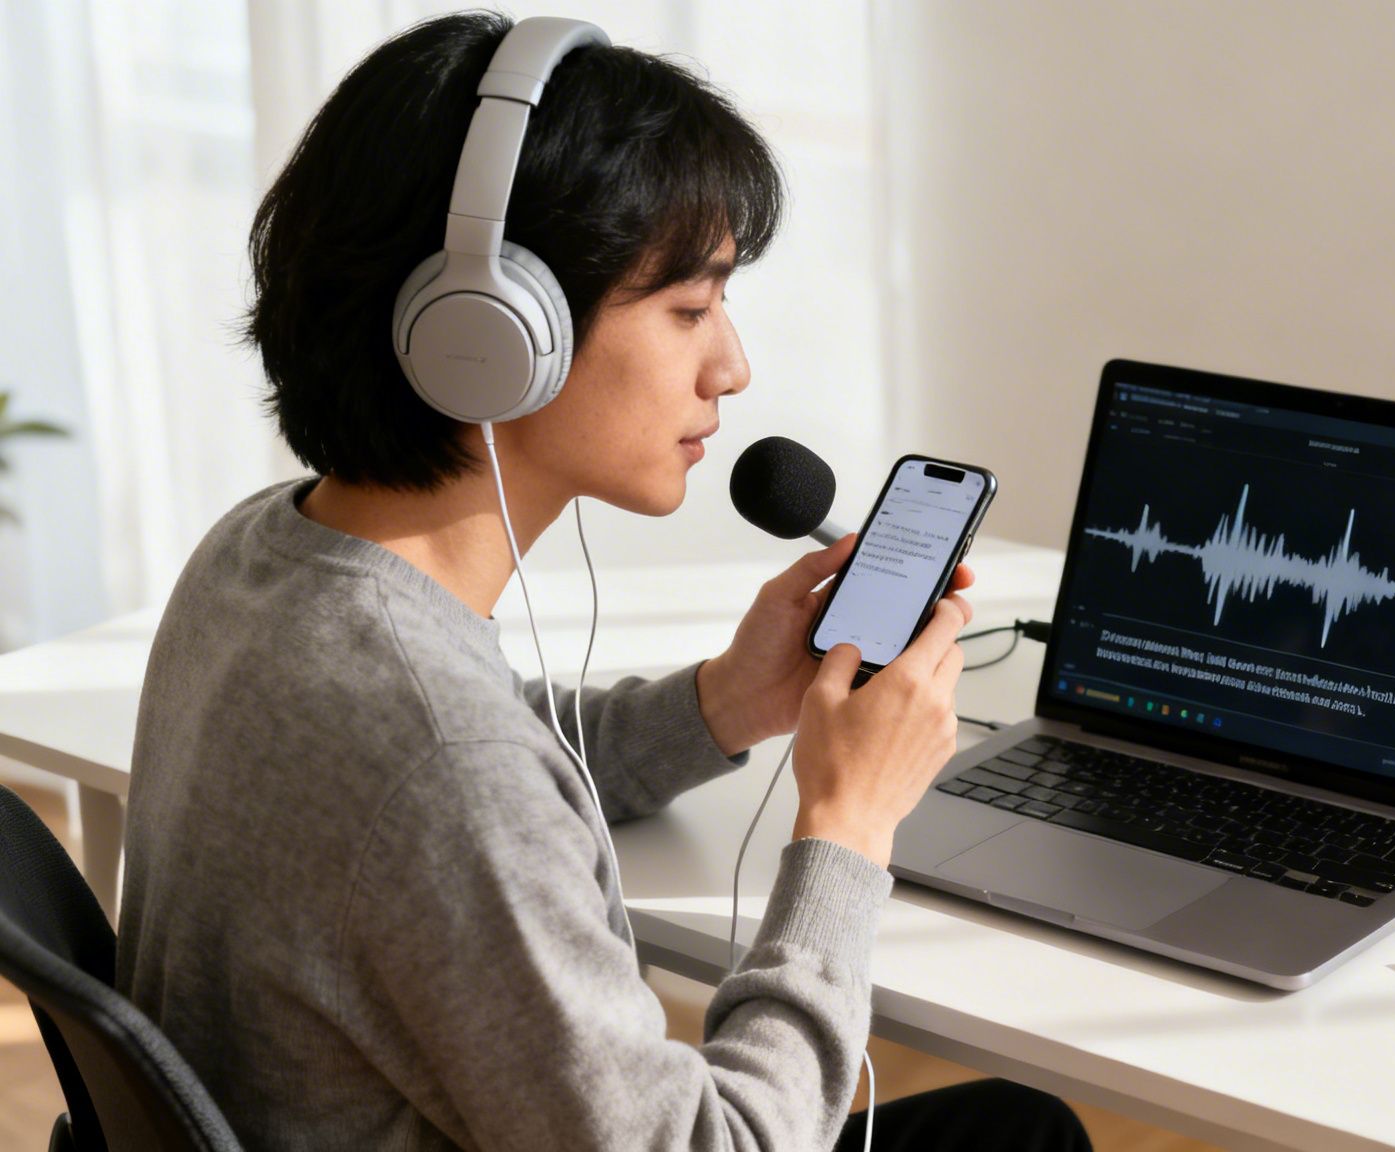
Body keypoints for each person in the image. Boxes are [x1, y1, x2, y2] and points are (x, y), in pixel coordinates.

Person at [113, 12, 1088, 1151]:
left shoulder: (262, 558)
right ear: (488, 332)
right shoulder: (447, 766)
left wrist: (724, 701)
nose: (731, 367)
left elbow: (483, 751)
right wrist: (845, 825)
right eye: (689, 309)